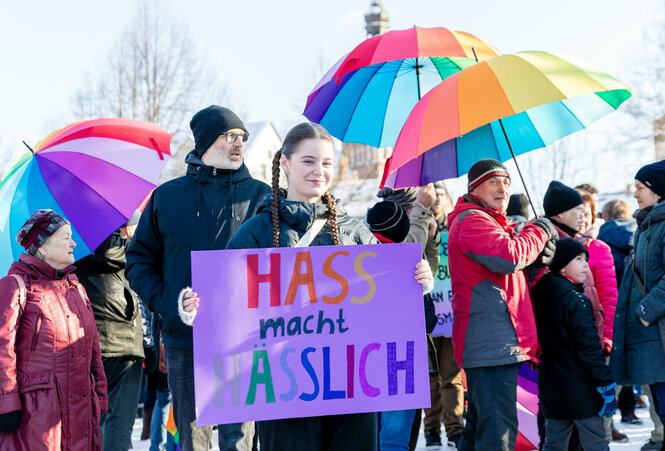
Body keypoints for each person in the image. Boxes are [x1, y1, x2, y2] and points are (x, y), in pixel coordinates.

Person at [182, 122, 433, 451]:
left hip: (352, 397)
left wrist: (416, 284)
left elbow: (399, 316)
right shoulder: (255, 233)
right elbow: (223, 306)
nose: (319, 171)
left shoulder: (357, 234)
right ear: (285, 164)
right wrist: (193, 308)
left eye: (327, 163)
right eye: (309, 161)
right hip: (283, 398)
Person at [126, 105, 271, 450]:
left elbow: (286, 261)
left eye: (242, 137)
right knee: (193, 437)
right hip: (184, 338)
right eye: (230, 136)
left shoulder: (263, 197)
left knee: (239, 439)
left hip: (244, 337)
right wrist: (169, 305)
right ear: (206, 141)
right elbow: (137, 261)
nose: (239, 144)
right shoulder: (167, 197)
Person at [447, 159, 558, 450]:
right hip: (490, 345)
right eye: (494, 182)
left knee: (481, 430)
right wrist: (539, 230)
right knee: (498, 433)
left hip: (495, 343)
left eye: (507, 183)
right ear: (474, 187)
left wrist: (534, 267)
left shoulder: (490, 221)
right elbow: (508, 257)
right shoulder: (472, 219)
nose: (503, 189)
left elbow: (506, 276)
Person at [0, 209, 108, 450]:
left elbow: (93, 351)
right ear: (43, 246)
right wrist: (6, 404)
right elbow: (2, 350)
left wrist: (99, 397)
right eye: (66, 237)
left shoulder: (76, 289)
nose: (74, 243)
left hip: (82, 410)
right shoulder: (15, 286)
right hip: (37, 416)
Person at [75, 212, 154, 450]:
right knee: (109, 421)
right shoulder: (107, 243)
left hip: (120, 341)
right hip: (114, 341)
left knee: (114, 423)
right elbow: (110, 252)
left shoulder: (83, 243)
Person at [366, 200, 437, 451]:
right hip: (400, 366)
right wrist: (424, 291)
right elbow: (429, 321)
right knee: (393, 442)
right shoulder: (410, 264)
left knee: (376, 438)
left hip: (369, 366)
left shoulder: (355, 262)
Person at [533, 238, 615, 451]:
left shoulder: (537, 295)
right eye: (578, 259)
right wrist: (605, 383)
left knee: (554, 443)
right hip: (580, 389)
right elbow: (589, 347)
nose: (586, 264)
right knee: (595, 441)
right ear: (561, 265)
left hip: (551, 387)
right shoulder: (575, 300)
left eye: (586, 259)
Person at [611, 161, 665, 451]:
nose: (635, 194)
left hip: (657, 331)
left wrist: (646, 310)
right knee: (660, 402)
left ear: (658, 192)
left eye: (640, 188)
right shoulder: (647, 225)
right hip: (651, 336)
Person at [423, 182, 464, 449]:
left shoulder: (458, 231)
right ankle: (431, 432)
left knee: (453, 377)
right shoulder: (418, 229)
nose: (438, 199)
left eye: (442, 195)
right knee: (429, 378)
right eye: (433, 195)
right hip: (426, 316)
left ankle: (455, 431)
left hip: (453, 315)